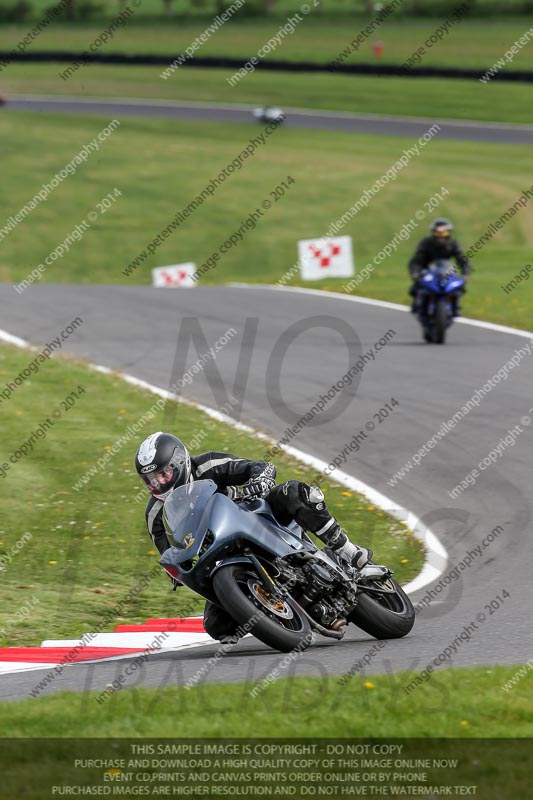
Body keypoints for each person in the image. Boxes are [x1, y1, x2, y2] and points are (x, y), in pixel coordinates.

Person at [135, 431, 372, 642]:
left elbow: (259, 467)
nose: (160, 483)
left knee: (296, 493)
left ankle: (348, 551)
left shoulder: (208, 465)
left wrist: (259, 481)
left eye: (164, 473)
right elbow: (170, 550)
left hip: (259, 518)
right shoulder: (155, 514)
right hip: (220, 557)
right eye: (152, 480)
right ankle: (274, 611)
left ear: (179, 462)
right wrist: (177, 569)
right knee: (217, 627)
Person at [408, 218, 471, 313]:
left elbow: (462, 260)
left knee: (460, 288)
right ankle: (418, 304)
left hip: (446, 270)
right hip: (428, 270)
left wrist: (465, 274)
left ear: (448, 233)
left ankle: (455, 306)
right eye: (437, 233)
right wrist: (415, 273)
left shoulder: (453, 243)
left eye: (443, 233)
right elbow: (416, 260)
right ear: (433, 233)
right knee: (415, 288)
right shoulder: (426, 243)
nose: (440, 237)